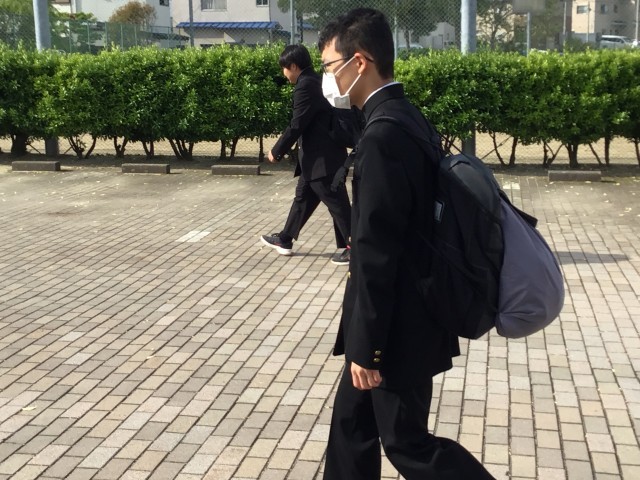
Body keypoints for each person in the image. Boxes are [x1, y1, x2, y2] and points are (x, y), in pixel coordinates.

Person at [318, 8, 496, 480]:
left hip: (397, 327)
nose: (328, 79)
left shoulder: (382, 137)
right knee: (351, 428)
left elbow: (377, 253)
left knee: (406, 443)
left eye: (330, 67)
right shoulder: (405, 115)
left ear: (360, 62)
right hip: (406, 315)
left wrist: (367, 349)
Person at [261, 44, 352, 265]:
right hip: (317, 159)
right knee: (302, 198)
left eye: (284, 68)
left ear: (293, 66)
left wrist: (276, 151)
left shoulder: (306, 86)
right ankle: (285, 239)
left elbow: (297, 124)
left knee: (337, 204)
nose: (284, 73)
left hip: (323, 160)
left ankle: (355, 248)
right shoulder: (315, 80)